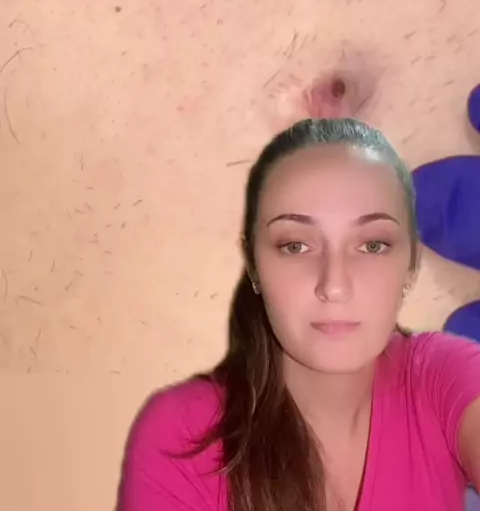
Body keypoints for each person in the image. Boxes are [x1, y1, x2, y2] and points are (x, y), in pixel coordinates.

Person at [116, 118, 480, 511]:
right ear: (253, 265)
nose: (334, 286)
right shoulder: (185, 436)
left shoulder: (442, 374)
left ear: (410, 265)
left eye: (372, 245)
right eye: (295, 246)